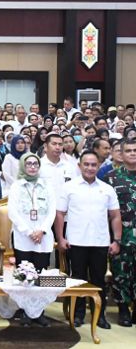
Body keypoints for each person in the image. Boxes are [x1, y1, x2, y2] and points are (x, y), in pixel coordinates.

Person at [56, 151, 121, 329]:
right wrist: (60, 238)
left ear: (98, 166)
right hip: (76, 242)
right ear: (79, 166)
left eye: (93, 165)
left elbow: (115, 216)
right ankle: (78, 315)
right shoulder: (69, 187)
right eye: (86, 164)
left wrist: (116, 240)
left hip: (100, 242)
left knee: (99, 281)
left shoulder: (107, 189)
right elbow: (60, 214)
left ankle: (99, 316)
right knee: (78, 280)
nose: (90, 168)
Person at [7, 153, 55, 327]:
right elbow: (12, 212)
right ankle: (25, 312)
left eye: (36, 164)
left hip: (43, 237)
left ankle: (39, 312)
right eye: (29, 164)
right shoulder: (17, 186)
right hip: (23, 237)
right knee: (24, 275)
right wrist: (29, 232)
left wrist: (41, 230)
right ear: (23, 166)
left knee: (40, 275)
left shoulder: (46, 185)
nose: (33, 167)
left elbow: (52, 211)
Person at [103, 138, 136, 326]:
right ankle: (123, 310)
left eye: (135, 150)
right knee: (121, 273)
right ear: (121, 154)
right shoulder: (111, 178)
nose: (132, 153)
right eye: (128, 150)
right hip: (122, 236)